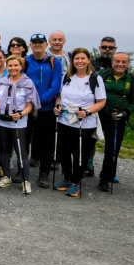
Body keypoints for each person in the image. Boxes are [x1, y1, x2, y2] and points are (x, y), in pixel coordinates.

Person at [53, 48, 106, 198]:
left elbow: (101, 101)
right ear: (72, 61)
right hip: (65, 120)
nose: (79, 61)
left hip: (85, 122)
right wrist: (57, 105)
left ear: (88, 60)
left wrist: (88, 111)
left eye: (83, 58)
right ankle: (67, 178)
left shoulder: (95, 78)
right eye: (77, 58)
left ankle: (76, 182)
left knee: (80, 154)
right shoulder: (67, 77)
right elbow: (60, 96)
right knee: (63, 152)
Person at [0, 55, 40, 193]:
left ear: (21, 67)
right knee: (4, 149)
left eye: (16, 65)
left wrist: (21, 114)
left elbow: (30, 104)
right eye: (10, 65)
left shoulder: (27, 83)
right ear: (7, 66)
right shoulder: (2, 82)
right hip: (2, 120)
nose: (13, 68)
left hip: (18, 122)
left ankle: (26, 180)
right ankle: (7, 176)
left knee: (21, 151)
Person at [97, 51, 134, 192]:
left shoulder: (133, 80)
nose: (120, 64)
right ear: (112, 62)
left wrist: (125, 113)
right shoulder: (102, 75)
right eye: (117, 61)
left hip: (117, 118)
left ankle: (106, 178)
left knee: (112, 149)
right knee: (88, 143)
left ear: (128, 64)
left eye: (124, 62)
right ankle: (84, 169)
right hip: (98, 115)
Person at [23, 33, 62, 188]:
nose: (37, 45)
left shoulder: (54, 61)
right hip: (28, 108)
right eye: (34, 42)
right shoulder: (25, 61)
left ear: (46, 44)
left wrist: (39, 101)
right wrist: (30, 103)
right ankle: (22, 170)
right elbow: (22, 82)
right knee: (24, 140)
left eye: (41, 42)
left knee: (47, 142)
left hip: (46, 108)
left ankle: (44, 173)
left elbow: (55, 85)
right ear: (30, 45)